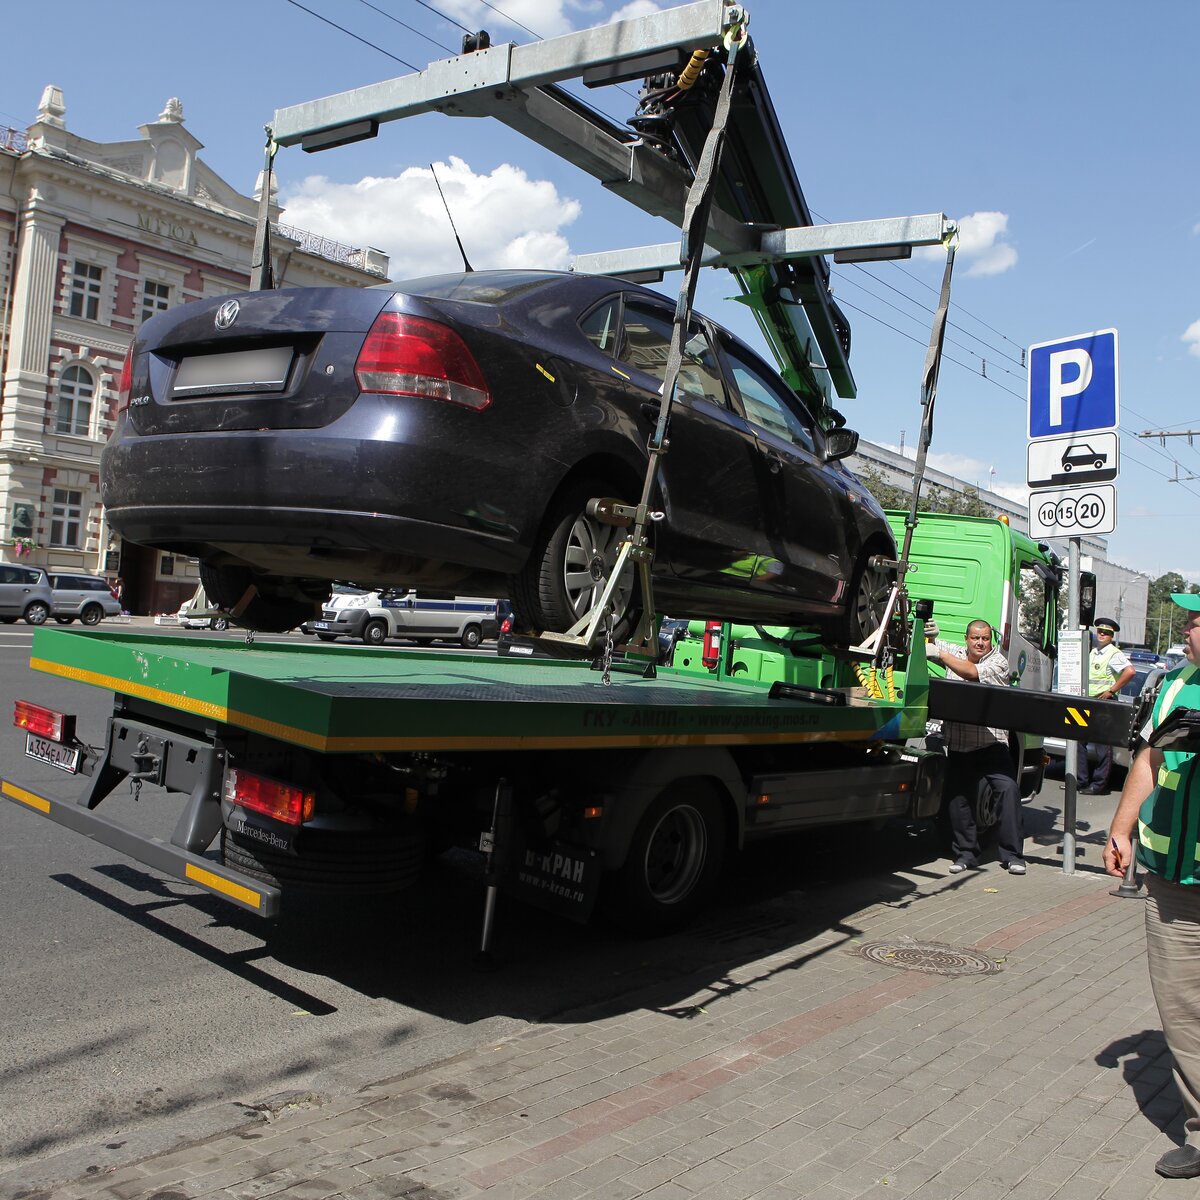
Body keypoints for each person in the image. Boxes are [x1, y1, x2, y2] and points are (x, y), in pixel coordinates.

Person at [1105, 593, 1200, 1179]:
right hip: (1175, 886)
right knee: (1184, 1012)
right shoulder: (1169, 684)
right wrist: (1119, 829)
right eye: (1191, 618)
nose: (1191, 628)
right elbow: (1145, 758)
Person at [925, 617, 1026, 875]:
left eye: (984, 638)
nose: (980, 643)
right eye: (975, 638)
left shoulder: (998, 662)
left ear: (990, 640)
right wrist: (931, 637)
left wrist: (938, 653)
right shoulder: (957, 653)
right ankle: (966, 855)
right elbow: (937, 648)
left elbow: (970, 673)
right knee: (959, 802)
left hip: (991, 745)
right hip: (959, 745)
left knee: (1008, 792)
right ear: (966, 639)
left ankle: (1013, 856)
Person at [1080, 617, 1137, 795]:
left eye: (1107, 633)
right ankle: (1080, 781)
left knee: (1102, 746)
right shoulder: (1094, 652)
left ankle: (1098, 785)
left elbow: (1130, 672)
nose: (1102, 635)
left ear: (1112, 636)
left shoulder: (1114, 653)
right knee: (1078, 740)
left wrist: (1111, 690)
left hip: (1104, 703)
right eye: (1100, 632)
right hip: (1088, 701)